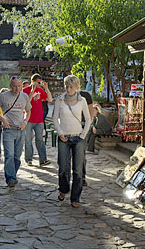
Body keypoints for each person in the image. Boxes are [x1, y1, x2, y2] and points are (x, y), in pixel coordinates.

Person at [53, 75, 91, 208]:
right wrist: (60, 133)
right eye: (66, 87)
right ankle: (63, 189)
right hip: (64, 137)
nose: (68, 89)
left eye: (71, 87)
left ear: (77, 87)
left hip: (78, 138)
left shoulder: (82, 101)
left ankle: (75, 198)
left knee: (78, 170)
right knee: (63, 167)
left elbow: (88, 118)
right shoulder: (59, 100)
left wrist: (83, 135)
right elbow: (54, 119)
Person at [0, 77, 32, 187]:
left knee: (17, 157)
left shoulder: (24, 96)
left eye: (19, 86)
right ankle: (10, 179)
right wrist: (3, 119)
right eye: (14, 85)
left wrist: (25, 122)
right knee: (9, 155)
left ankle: (13, 174)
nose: (17, 88)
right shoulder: (3, 96)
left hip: (21, 129)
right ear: (10, 85)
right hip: (8, 130)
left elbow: (28, 111)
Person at [23, 74, 53, 166]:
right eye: (38, 82)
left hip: (39, 119)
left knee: (40, 140)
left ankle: (43, 160)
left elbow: (50, 99)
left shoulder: (40, 90)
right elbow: (26, 102)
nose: (40, 84)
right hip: (28, 119)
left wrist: (46, 88)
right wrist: (32, 90)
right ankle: (28, 159)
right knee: (28, 140)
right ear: (33, 81)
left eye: (40, 82)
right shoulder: (25, 90)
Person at [79, 90, 93, 186]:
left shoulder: (85, 95)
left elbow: (91, 113)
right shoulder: (66, 96)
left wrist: (87, 128)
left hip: (83, 126)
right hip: (70, 127)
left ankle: (82, 177)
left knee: (81, 154)